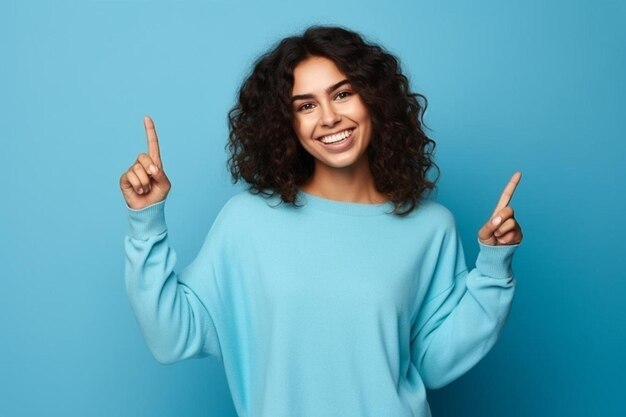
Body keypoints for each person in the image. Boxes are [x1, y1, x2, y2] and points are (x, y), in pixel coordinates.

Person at [120, 26, 522, 417]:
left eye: (343, 94)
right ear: (286, 123)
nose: (329, 118)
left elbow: (434, 363)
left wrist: (493, 268)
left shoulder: (431, 227)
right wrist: (146, 221)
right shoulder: (247, 222)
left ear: (375, 101)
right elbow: (170, 338)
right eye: (306, 105)